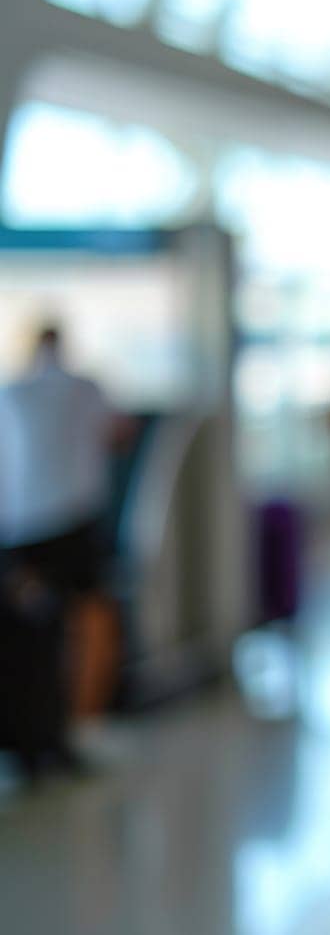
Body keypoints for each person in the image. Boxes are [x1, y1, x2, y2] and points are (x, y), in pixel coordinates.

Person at [0, 322, 131, 781]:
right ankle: (80, 723)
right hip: (74, 521)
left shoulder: (11, 393)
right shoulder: (87, 388)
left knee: (32, 631)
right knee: (87, 621)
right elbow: (120, 434)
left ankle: (38, 738)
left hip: (21, 529)